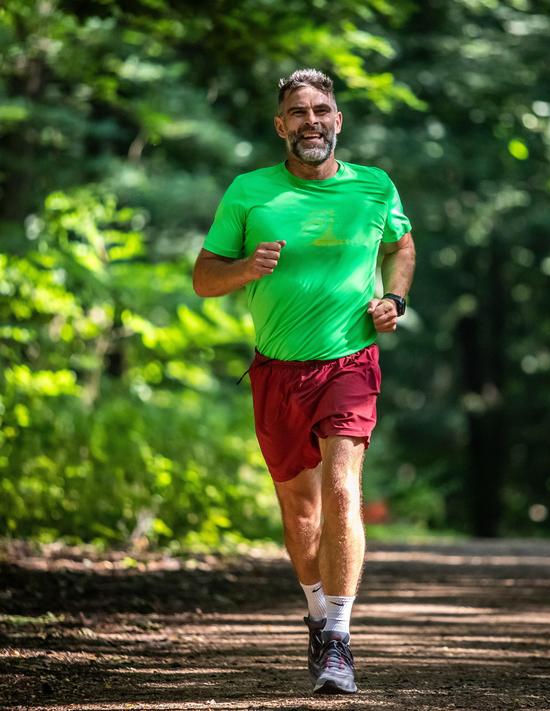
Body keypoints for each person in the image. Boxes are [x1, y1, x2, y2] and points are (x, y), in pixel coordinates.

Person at [192, 68, 415, 695]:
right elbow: (204, 278)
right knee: (301, 505)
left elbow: (402, 245)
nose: (311, 121)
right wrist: (245, 267)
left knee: (344, 488)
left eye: (322, 110)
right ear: (280, 125)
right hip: (276, 370)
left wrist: (394, 301)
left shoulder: (374, 187)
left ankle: (339, 638)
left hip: (349, 360)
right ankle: (316, 614)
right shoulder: (249, 192)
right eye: (298, 112)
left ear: (338, 121)